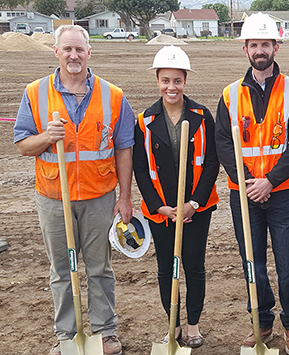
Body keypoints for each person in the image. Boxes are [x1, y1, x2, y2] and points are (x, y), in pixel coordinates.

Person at [13, 25, 135, 355]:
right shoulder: (35, 92)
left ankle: (105, 333)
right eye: (67, 49)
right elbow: (24, 145)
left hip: (99, 197)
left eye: (79, 49)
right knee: (62, 270)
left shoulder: (113, 95)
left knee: (100, 268)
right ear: (56, 52)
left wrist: (124, 197)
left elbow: (125, 147)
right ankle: (66, 335)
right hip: (54, 198)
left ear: (89, 52)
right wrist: (46, 137)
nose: (73, 55)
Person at [215, 12, 289, 355]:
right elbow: (224, 143)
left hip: (283, 193)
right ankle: (262, 320)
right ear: (245, 49)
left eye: (265, 44)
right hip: (243, 194)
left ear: (276, 47)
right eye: (254, 44)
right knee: (251, 262)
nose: (260, 50)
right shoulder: (228, 95)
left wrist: (269, 181)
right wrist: (249, 182)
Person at [133, 45, 219, 348]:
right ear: (158, 81)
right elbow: (140, 170)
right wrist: (160, 207)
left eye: (177, 80)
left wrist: (193, 203)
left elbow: (211, 162)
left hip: (196, 208)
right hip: (162, 211)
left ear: (185, 81)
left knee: (194, 266)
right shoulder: (145, 120)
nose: (172, 87)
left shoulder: (201, 115)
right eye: (165, 80)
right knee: (166, 268)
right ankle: (173, 325)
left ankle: (192, 324)